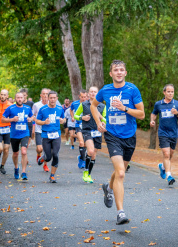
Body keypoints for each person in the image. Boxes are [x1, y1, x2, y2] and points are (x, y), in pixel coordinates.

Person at [91, 60, 145, 225]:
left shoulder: (132, 89)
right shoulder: (106, 90)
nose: (119, 72)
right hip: (112, 135)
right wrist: (98, 121)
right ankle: (120, 212)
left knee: (119, 171)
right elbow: (94, 106)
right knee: (121, 172)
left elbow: (142, 114)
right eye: (116, 70)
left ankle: (108, 187)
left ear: (125, 73)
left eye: (122, 69)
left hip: (129, 136)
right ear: (111, 74)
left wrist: (125, 109)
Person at [150, 84, 178, 186]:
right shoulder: (158, 104)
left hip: (173, 133)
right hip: (163, 132)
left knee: (170, 155)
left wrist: (177, 113)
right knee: (166, 154)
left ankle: (162, 167)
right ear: (164, 92)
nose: (170, 94)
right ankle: (169, 176)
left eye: (172, 92)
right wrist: (152, 120)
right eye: (168, 92)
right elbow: (154, 113)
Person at [75, 86, 106, 183]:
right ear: (88, 94)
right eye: (91, 92)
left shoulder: (102, 106)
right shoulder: (83, 104)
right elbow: (76, 115)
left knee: (94, 155)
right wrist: (82, 118)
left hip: (97, 132)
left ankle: (88, 174)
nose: (93, 93)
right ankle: (85, 171)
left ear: (98, 94)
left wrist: (102, 119)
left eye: (95, 92)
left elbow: (105, 119)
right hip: (87, 130)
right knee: (91, 151)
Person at [2, 92, 34, 180]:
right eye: (18, 97)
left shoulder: (27, 108)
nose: (20, 99)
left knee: (24, 151)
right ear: (15, 99)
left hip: (25, 133)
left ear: (24, 98)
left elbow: (32, 117)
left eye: (21, 97)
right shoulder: (10, 108)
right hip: (14, 134)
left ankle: (23, 172)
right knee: (15, 153)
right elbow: (2, 119)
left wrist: (30, 119)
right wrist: (12, 119)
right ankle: (16, 168)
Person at [36, 91, 65, 183]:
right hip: (46, 135)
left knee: (55, 155)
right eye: (51, 98)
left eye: (54, 98)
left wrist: (62, 121)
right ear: (48, 98)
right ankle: (43, 158)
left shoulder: (60, 109)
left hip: (56, 135)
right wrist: (44, 122)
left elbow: (64, 119)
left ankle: (52, 176)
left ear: (57, 98)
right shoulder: (43, 109)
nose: (52, 99)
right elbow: (37, 121)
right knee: (48, 157)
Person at [32, 88, 50, 172]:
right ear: (41, 95)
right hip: (39, 130)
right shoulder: (36, 105)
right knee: (40, 149)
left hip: (48, 130)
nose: (45, 95)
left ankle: (45, 165)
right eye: (44, 93)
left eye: (47, 93)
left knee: (46, 149)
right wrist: (33, 120)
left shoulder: (52, 104)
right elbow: (33, 115)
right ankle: (38, 155)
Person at [70, 90, 88, 168]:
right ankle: (83, 160)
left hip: (87, 126)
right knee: (81, 143)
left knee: (85, 144)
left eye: (85, 97)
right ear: (79, 96)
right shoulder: (75, 103)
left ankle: (80, 157)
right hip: (78, 125)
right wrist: (72, 117)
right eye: (82, 97)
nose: (83, 98)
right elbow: (71, 109)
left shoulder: (89, 103)